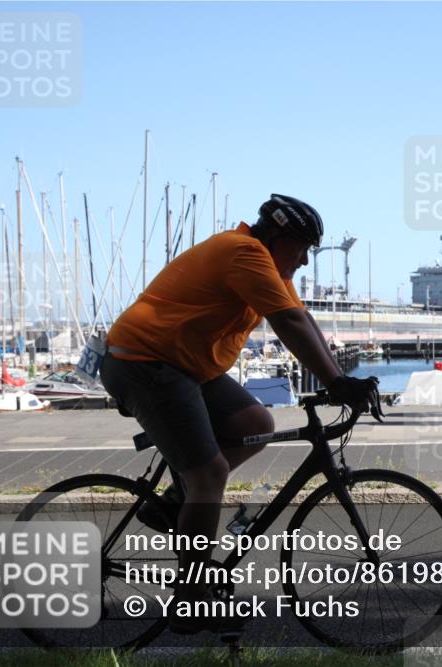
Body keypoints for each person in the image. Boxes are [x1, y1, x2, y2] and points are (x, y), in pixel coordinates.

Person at [100, 194, 380, 635]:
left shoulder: (269, 265)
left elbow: (302, 321)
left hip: (187, 366)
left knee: (256, 424)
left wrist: (342, 379)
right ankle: (191, 601)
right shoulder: (244, 252)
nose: (305, 261)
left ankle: (173, 505)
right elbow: (286, 326)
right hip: (144, 361)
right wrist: (335, 385)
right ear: (277, 235)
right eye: (302, 247)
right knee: (208, 474)